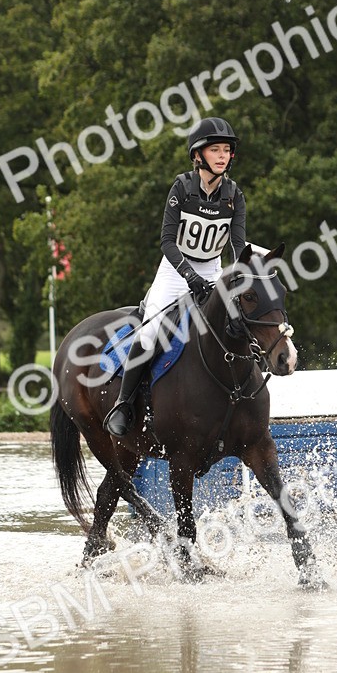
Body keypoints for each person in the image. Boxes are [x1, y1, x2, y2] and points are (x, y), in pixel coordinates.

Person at [103, 116, 247, 438]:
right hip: (175, 270)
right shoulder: (181, 188)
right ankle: (124, 404)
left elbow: (237, 245)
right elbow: (167, 241)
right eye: (215, 150)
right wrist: (188, 276)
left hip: (212, 268)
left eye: (226, 150)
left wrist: (237, 278)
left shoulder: (234, 195)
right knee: (151, 330)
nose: (222, 156)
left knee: (238, 323)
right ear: (198, 155)